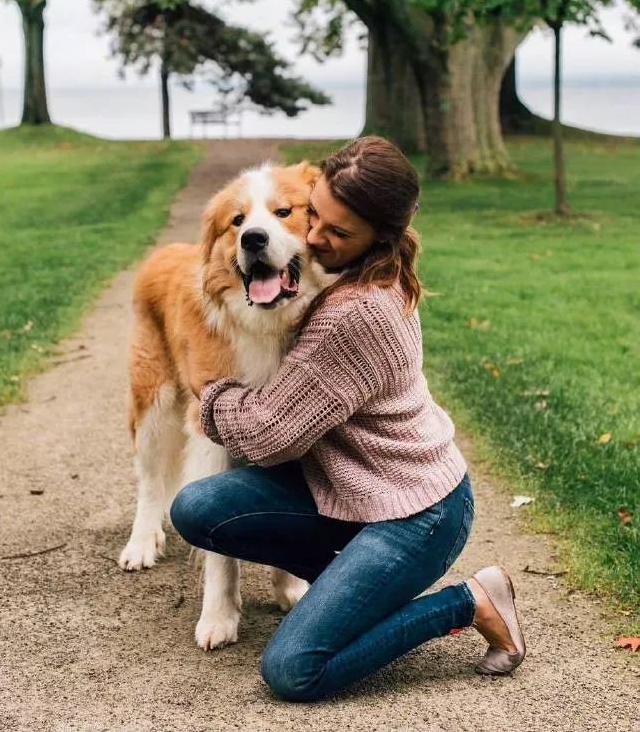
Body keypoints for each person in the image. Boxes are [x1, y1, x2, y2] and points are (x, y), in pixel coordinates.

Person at [170, 135, 526, 702]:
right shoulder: (338, 281)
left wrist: (206, 392)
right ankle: (355, 588)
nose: (315, 238)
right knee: (198, 507)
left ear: (375, 239)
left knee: (294, 670)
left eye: (337, 233)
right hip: (348, 490)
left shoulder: (354, 313)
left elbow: (267, 433)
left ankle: (472, 601)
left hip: (416, 513)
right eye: (316, 220)